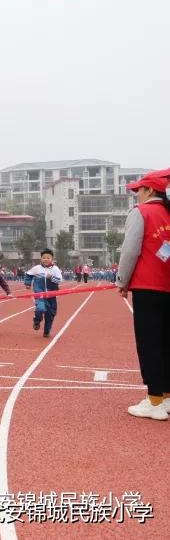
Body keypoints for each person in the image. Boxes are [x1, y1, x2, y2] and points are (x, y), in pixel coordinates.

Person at [115, 170, 170, 421]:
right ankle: (166, 398)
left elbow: (130, 251)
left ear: (149, 191)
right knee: (167, 342)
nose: (136, 195)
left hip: (149, 288)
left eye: (138, 190)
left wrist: (122, 281)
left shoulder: (142, 213)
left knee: (149, 344)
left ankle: (154, 401)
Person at [23, 249, 63, 338]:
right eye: (44, 258)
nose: (46, 259)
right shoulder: (37, 268)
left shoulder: (55, 269)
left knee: (50, 314)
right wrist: (28, 283)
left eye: (48, 258)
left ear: (52, 259)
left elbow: (59, 280)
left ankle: (46, 331)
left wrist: (51, 277)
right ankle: (37, 321)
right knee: (40, 309)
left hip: (51, 295)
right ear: (41, 258)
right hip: (39, 294)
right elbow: (28, 275)